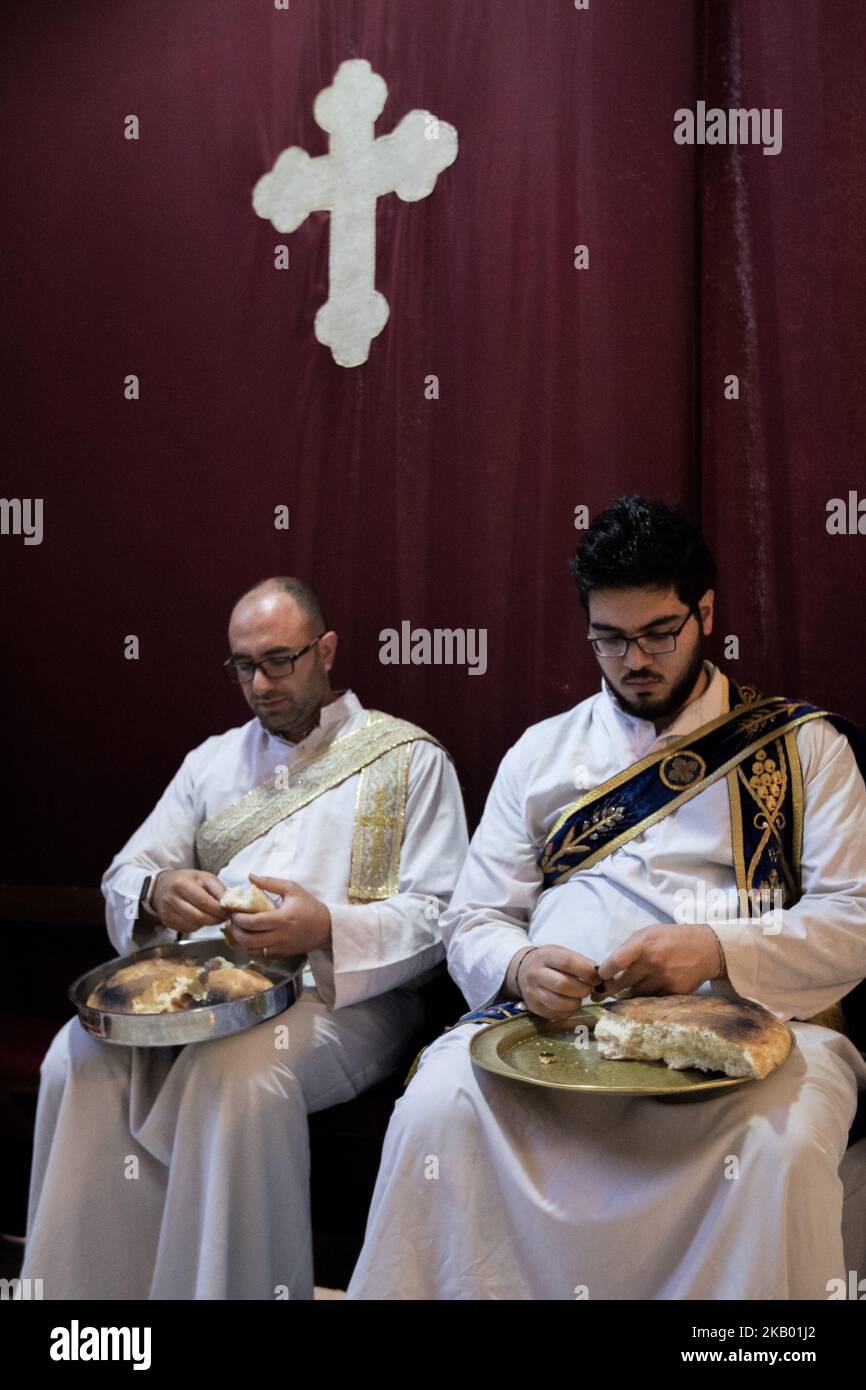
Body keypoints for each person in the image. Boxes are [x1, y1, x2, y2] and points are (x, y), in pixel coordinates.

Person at [347, 495, 866, 1301]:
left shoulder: (803, 749)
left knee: (784, 1152)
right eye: (610, 639)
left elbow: (854, 919)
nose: (635, 660)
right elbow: (473, 917)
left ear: (706, 613)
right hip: (556, 1030)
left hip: (750, 1031)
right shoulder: (541, 753)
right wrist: (520, 966)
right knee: (434, 1112)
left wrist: (718, 951)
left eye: (659, 633)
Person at [19, 576, 468, 1300]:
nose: (260, 684)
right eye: (242, 667)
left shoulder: (409, 761)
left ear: (325, 650)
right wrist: (159, 891)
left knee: (234, 1079)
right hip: (207, 992)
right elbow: (128, 870)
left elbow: (442, 916)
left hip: (344, 1000)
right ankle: (95, 1314)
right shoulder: (213, 762)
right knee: (77, 1055)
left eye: (279, 661)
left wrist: (325, 927)